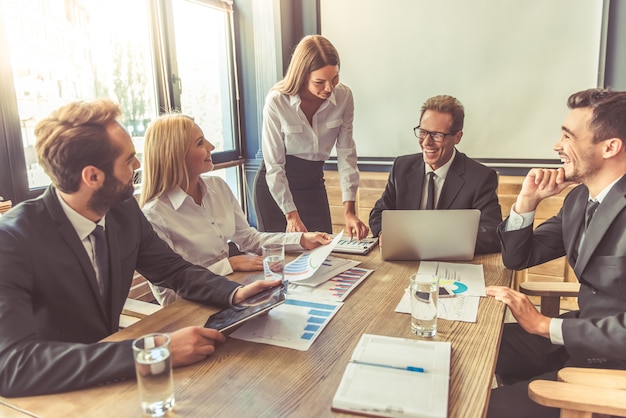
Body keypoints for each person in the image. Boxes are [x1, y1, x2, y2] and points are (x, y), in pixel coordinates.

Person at [0, 100, 281, 397]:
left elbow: (174, 271)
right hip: (52, 395)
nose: (137, 167)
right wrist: (152, 350)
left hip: (114, 380)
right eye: (128, 160)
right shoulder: (12, 241)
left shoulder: (123, 211)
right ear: (92, 176)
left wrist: (233, 293)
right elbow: (13, 365)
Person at [486, 88, 626, 418]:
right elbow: (518, 258)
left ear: (610, 147)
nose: (557, 146)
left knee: (477, 407)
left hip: (614, 371)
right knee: (467, 348)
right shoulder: (579, 200)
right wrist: (527, 202)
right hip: (577, 338)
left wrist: (545, 326)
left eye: (567, 136)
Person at [140, 114, 332, 305]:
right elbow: (169, 298)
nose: (211, 147)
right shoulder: (154, 215)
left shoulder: (218, 186)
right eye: (200, 143)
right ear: (175, 155)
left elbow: (249, 239)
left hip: (232, 290)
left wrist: (301, 239)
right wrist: (228, 265)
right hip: (193, 308)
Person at [253, 34, 369, 240]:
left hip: (313, 183)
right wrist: (291, 215)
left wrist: (349, 211)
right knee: (283, 257)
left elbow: (346, 154)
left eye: (334, 79)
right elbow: (274, 166)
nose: (329, 88)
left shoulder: (344, 97)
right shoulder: (277, 101)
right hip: (275, 188)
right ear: (302, 75)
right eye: (319, 82)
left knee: (324, 251)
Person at [368, 95, 502, 254]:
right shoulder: (401, 167)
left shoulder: (480, 177)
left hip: (451, 264)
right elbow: (379, 214)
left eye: (437, 135)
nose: (426, 142)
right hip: (404, 261)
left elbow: (492, 233)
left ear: (457, 137)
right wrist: (385, 233)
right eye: (423, 132)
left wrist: (434, 242)